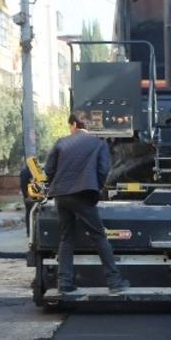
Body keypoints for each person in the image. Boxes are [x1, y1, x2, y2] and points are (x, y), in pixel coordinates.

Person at [44, 111, 129, 294]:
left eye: (70, 126)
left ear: (74, 124)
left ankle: (64, 284)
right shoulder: (98, 144)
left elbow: (49, 170)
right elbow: (104, 170)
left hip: (61, 195)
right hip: (83, 194)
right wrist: (95, 188)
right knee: (99, 236)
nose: (70, 129)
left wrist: (56, 184)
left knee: (66, 238)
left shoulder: (61, 142)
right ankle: (114, 283)